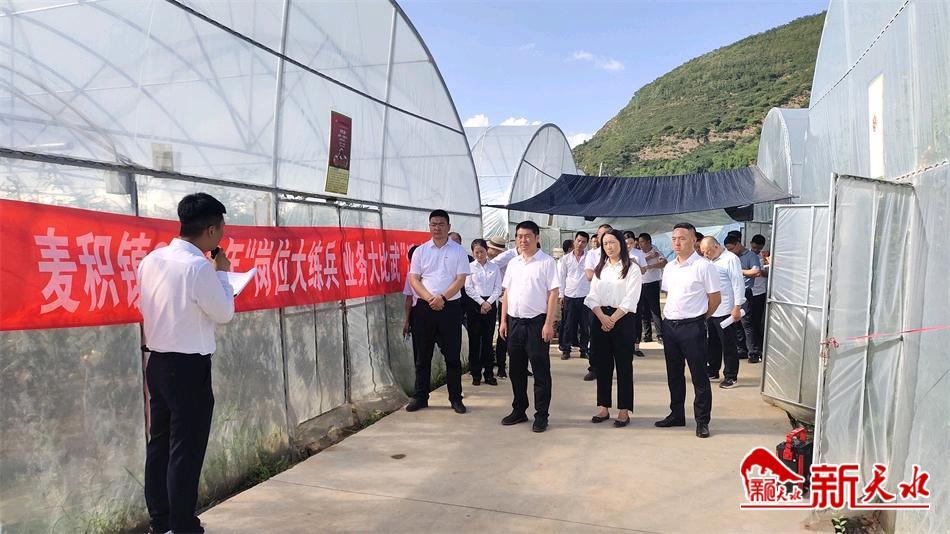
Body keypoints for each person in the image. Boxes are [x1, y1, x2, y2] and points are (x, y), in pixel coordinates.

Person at [139, 193, 235, 534]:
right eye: (221, 228)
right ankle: (183, 525)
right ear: (211, 231)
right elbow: (224, 313)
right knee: (186, 450)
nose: (222, 234)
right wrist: (222, 275)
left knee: (160, 444)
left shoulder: (151, 260)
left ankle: (161, 521)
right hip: (189, 368)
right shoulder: (199, 268)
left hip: (158, 363)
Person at [656, 222, 721, 439]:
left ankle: (702, 421)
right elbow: (669, 294)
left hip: (693, 327)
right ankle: (676, 414)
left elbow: (715, 298)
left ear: (694, 240)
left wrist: (701, 317)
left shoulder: (704, 266)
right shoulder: (670, 267)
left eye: (682, 238)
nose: (677, 242)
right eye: (674, 238)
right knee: (674, 374)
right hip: (670, 326)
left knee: (699, 376)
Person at [407, 210, 470, 414]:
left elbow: (460, 279)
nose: (437, 228)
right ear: (429, 226)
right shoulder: (421, 251)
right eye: (433, 224)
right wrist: (429, 298)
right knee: (422, 356)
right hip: (424, 308)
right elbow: (414, 279)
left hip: (450, 308)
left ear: (448, 227)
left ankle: (455, 398)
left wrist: (442, 297)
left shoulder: (458, 251)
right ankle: (420, 397)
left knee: (452, 356)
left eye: (441, 224)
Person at [499, 220, 559, 433]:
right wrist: (503, 320)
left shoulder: (546, 262)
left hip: (536, 323)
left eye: (527, 236)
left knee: (540, 371)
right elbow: (506, 292)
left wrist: (549, 323)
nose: (523, 240)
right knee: (516, 370)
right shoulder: (513, 263)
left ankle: (541, 415)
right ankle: (519, 409)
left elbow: (553, 293)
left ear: (536, 238)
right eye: (519, 236)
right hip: (514, 322)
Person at [585, 230, 642, 427]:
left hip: (623, 319)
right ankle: (603, 407)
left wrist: (612, 319)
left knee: (624, 365)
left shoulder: (632, 268)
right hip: (600, 318)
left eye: (612, 242)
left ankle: (624, 410)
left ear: (621, 244)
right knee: (602, 364)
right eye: (605, 244)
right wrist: (602, 317)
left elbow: (631, 299)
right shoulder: (600, 268)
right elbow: (592, 296)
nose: (609, 247)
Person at [699, 237, 743, 389]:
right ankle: (713, 370)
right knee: (712, 342)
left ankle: (731, 376)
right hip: (711, 309)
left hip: (726, 309)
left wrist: (737, 306)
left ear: (716, 247)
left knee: (728, 345)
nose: (706, 255)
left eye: (708, 252)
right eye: (703, 252)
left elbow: (738, 283)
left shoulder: (731, 259)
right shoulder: (708, 261)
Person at [464, 239, 502, 386]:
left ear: (487, 251)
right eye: (476, 252)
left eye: (482, 252)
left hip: (490, 304)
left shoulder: (494, 267)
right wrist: (481, 302)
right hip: (474, 304)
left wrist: (488, 302)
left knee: (488, 340)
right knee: (474, 340)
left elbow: (498, 288)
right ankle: (475, 373)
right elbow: (468, 288)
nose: (479, 255)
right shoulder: (469, 267)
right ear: (473, 253)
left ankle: (489, 374)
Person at [724, 234, 764, 364]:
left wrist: (738, 271)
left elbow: (756, 272)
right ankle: (741, 349)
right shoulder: (728, 257)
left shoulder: (750, 256)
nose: (730, 252)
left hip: (745, 292)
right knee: (736, 322)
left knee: (747, 323)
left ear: (738, 244)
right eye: (728, 249)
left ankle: (753, 352)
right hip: (731, 292)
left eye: (731, 248)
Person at [582, 224, 614, 381]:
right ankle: (594, 368)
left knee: (616, 338)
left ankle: (614, 369)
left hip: (615, 303)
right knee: (595, 337)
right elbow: (589, 275)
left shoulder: (620, 255)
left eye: (607, 234)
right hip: (597, 303)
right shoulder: (592, 254)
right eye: (601, 235)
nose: (603, 238)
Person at [558, 231, 591, 360]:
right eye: (579, 241)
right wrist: (561, 294)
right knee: (568, 324)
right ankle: (566, 349)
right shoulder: (565, 259)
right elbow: (561, 278)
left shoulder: (589, 258)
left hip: (585, 295)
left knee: (584, 325)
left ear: (586, 244)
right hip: (569, 295)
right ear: (574, 241)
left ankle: (584, 349)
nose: (580, 244)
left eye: (583, 242)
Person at [488, 236, 517, 378]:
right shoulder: (508, 255)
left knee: (518, 335)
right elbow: (491, 266)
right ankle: (501, 366)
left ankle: (520, 365)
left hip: (519, 299)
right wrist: (500, 286)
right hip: (505, 299)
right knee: (504, 333)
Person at [637, 233, 666, 344]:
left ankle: (660, 334)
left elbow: (664, 262)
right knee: (644, 311)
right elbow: (636, 263)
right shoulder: (639, 253)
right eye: (639, 242)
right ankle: (647, 335)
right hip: (641, 284)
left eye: (642, 242)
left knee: (655, 310)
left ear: (648, 242)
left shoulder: (655, 250)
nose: (640, 244)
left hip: (652, 283)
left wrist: (651, 266)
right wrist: (648, 258)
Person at [623, 230, 648, 357]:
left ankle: (636, 345)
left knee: (637, 316)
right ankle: (624, 344)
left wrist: (635, 263)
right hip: (622, 289)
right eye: (626, 243)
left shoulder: (639, 253)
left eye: (631, 243)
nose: (629, 246)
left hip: (637, 288)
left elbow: (644, 270)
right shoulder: (619, 253)